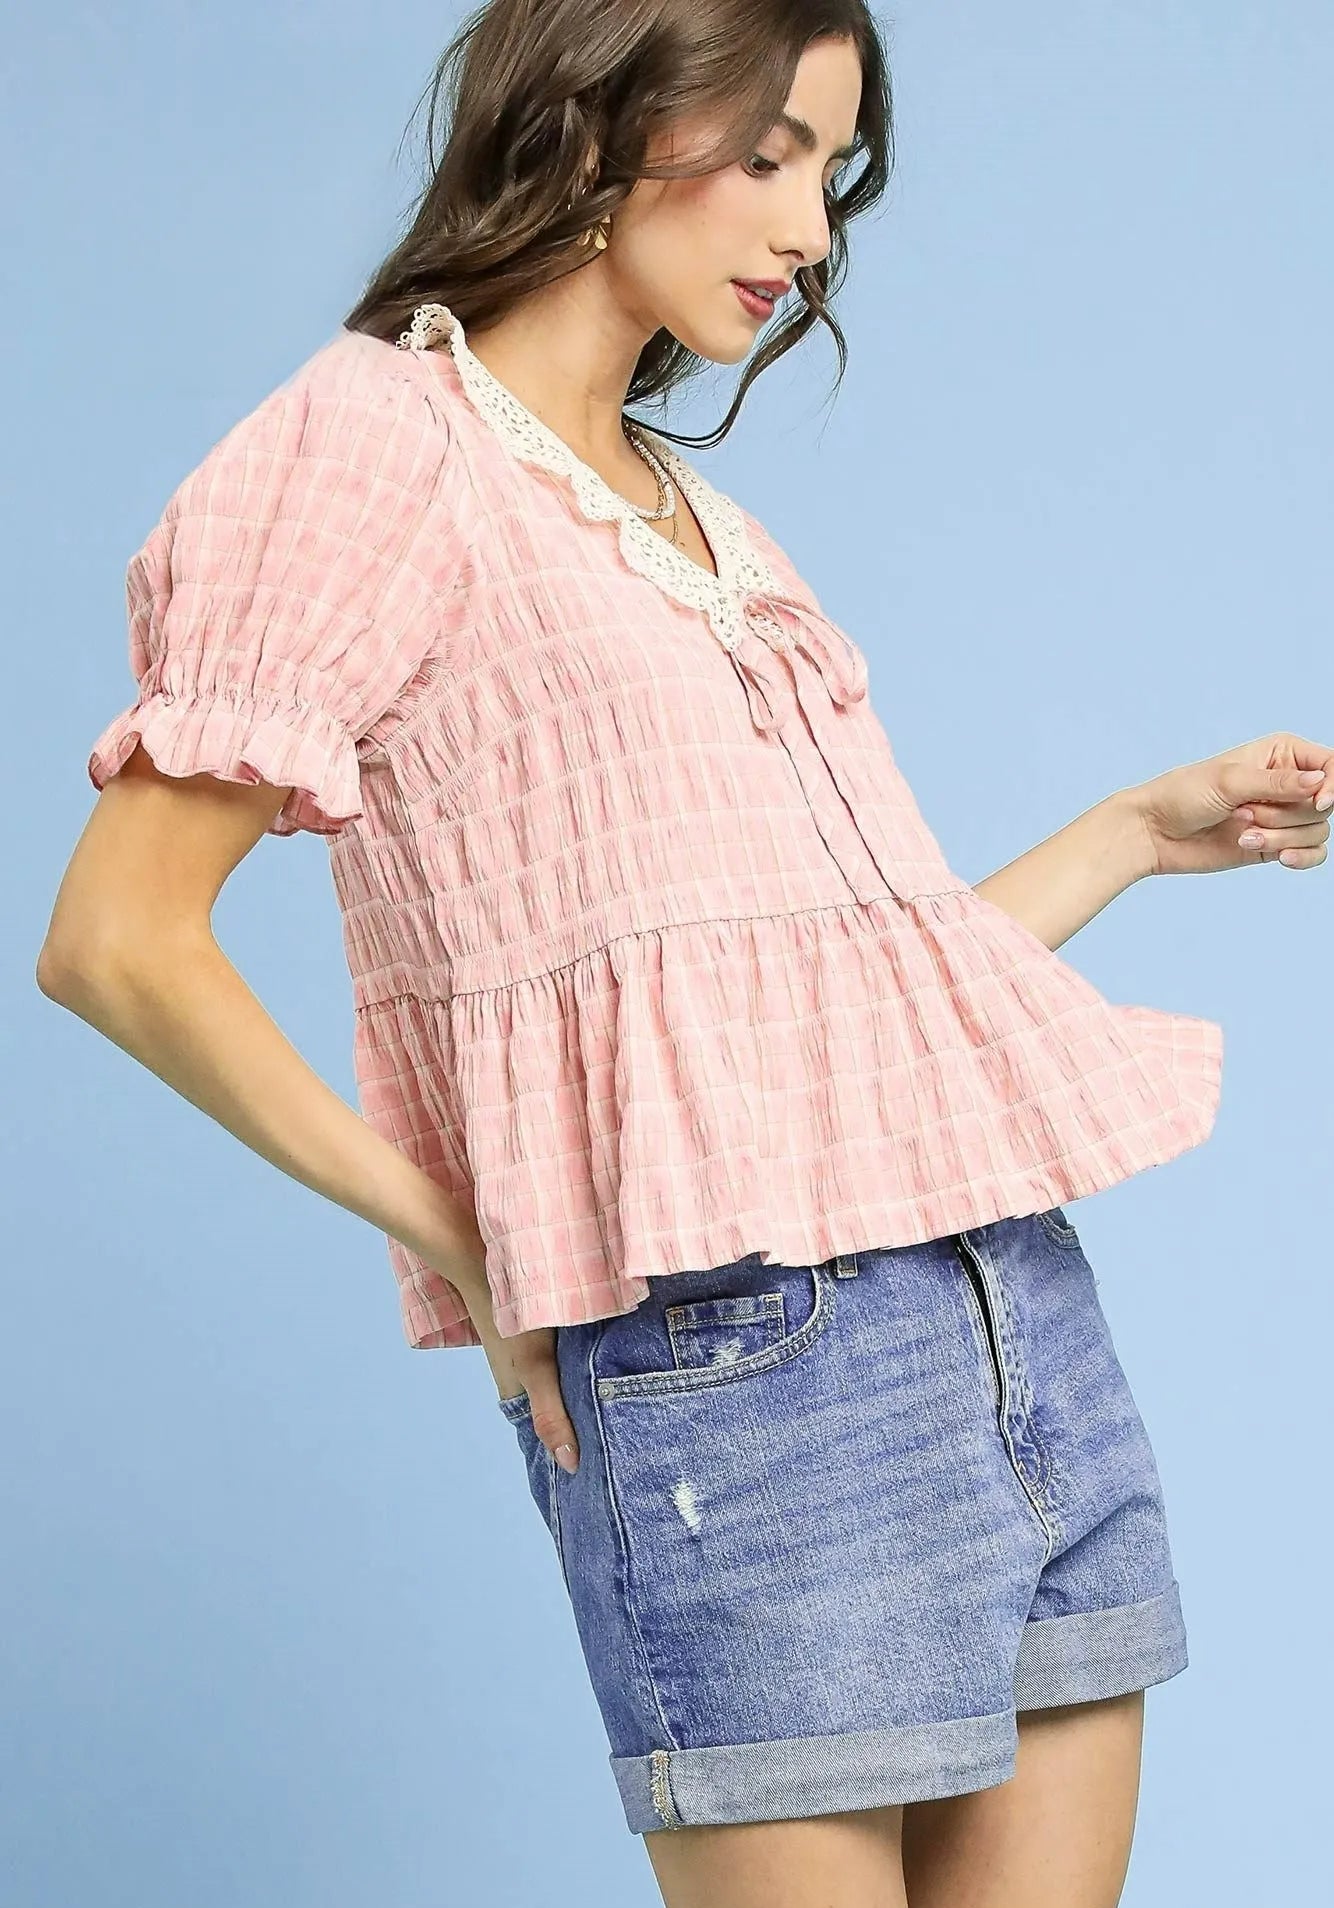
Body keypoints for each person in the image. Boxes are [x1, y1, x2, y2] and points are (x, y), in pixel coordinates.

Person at [38, 3, 1330, 1903]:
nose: (809, 227)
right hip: (745, 1376)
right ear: (591, 124)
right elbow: (115, 942)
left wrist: (1134, 834)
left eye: (833, 171)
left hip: (1011, 1317)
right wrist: (466, 1240)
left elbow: (836, 1032)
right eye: (767, 153)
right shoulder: (376, 443)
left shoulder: (703, 526)